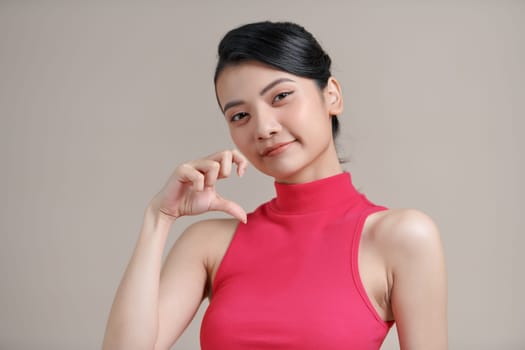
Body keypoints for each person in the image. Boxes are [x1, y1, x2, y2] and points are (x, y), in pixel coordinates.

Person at [102, 21, 447, 350]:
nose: (263, 128)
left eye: (280, 96)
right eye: (240, 116)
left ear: (332, 96)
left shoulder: (401, 237)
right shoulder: (208, 244)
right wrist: (159, 216)